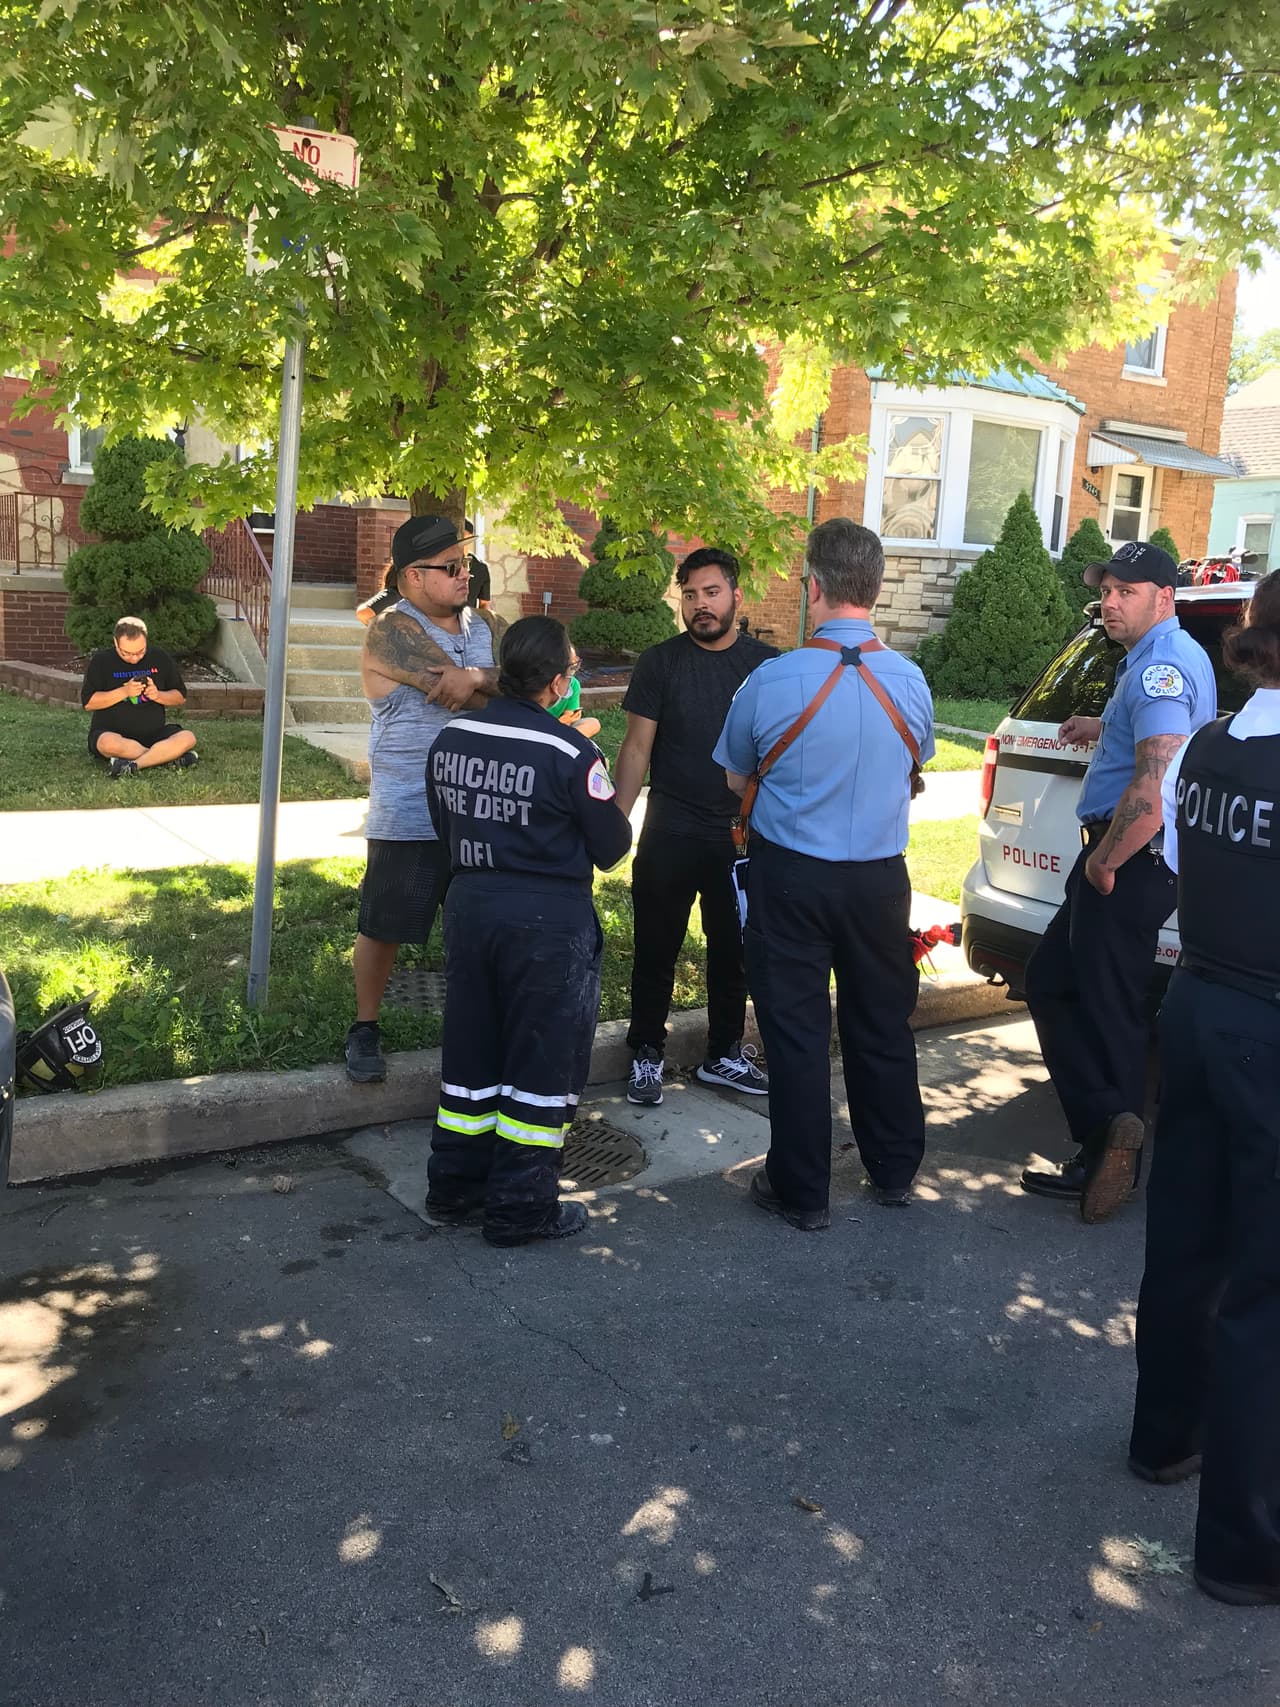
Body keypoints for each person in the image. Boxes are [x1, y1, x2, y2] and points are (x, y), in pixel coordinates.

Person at [713, 518, 934, 1231]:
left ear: (814, 587)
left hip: (792, 878)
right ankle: (895, 1169)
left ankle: (803, 1190)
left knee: (797, 1032)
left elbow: (734, 776)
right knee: (882, 1024)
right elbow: (915, 764)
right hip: (878, 880)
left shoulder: (771, 678)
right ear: (872, 588)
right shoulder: (911, 680)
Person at [1127, 571, 1280, 1606]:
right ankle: (1241, 1549)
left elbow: (1184, 862)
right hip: (1267, 1025)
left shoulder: (1212, 745)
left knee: (1183, 1239)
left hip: (1194, 1004)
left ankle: (1161, 1437)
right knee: (1265, 1294)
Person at [1020, 539, 1216, 1222]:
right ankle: (1110, 1133)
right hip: (1124, 854)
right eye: (1105, 590)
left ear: (1164, 597)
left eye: (1125, 591)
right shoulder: (1160, 662)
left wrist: (1105, 859)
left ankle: (1110, 1149)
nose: (1109, 601)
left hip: (1128, 855)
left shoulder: (1162, 665)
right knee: (1056, 982)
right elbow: (1167, 736)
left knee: (1106, 1007)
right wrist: (1103, 724)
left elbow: (1155, 781)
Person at [422, 616, 633, 1245]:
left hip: (470, 907)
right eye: (571, 669)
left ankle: (454, 1190)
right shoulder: (572, 753)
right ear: (557, 680)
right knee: (540, 1064)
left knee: (471, 1055)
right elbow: (612, 846)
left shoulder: (453, 737)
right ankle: (521, 1207)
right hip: (546, 923)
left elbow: (444, 823)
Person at [614, 547, 778, 1106]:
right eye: (690, 595)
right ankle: (645, 1053)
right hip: (670, 832)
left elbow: (780, 753)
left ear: (736, 595)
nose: (700, 606)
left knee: (734, 952)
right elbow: (636, 748)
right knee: (655, 948)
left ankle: (725, 1054)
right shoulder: (660, 662)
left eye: (711, 593)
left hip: (741, 837)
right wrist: (617, 818)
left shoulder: (767, 666)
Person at [346, 514, 505, 1084]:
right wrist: (487, 682)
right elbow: (448, 685)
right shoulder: (390, 629)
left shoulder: (483, 624)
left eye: (467, 563)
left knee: (482, 928)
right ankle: (365, 1026)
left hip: (481, 814)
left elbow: (523, 680)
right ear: (413, 576)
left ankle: (481, 1027)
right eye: (452, 567)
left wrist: (480, 680)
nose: (466, 574)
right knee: (385, 924)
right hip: (410, 811)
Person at [80, 616, 199, 778]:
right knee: (107, 744)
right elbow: (89, 703)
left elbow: (180, 697)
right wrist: (124, 692)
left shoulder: (160, 657)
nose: (135, 658)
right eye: (127, 653)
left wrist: (157, 695)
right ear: (116, 643)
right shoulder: (102, 661)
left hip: (155, 734)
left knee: (188, 738)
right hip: (113, 733)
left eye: (140, 652)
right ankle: (167, 757)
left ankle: (133, 765)